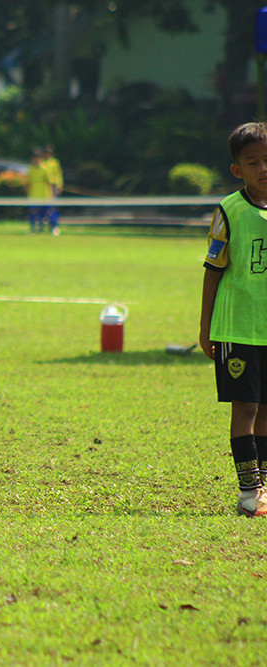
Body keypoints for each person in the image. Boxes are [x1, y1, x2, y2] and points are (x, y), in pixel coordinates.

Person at [199, 121, 267, 517]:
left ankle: (264, 487)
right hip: (237, 328)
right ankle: (248, 488)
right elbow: (212, 271)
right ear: (237, 169)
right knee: (246, 407)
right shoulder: (229, 210)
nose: (263, 169)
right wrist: (205, 327)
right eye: (252, 161)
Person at [26, 148, 51, 233]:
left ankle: (41, 227)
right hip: (34, 194)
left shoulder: (44, 168)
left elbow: (48, 181)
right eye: (34, 157)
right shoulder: (30, 169)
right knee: (32, 212)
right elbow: (28, 181)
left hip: (43, 194)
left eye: (37, 157)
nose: (36, 159)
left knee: (43, 213)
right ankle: (32, 227)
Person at [41, 145, 63, 235]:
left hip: (52, 187)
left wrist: (59, 185)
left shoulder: (54, 162)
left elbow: (58, 174)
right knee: (43, 207)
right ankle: (43, 225)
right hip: (43, 188)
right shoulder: (42, 163)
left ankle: (55, 225)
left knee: (52, 207)